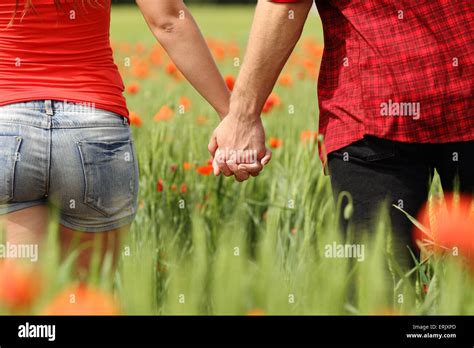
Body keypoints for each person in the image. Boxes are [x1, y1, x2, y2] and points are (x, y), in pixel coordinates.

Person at [208, 0, 474, 261]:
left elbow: (286, 3)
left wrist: (243, 117)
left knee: (379, 289)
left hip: (372, 104)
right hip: (416, 99)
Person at [0, 0, 231, 276]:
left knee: (23, 295)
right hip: (94, 131)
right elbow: (169, 20)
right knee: (87, 297)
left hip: (9, 131)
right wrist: (232, 115)